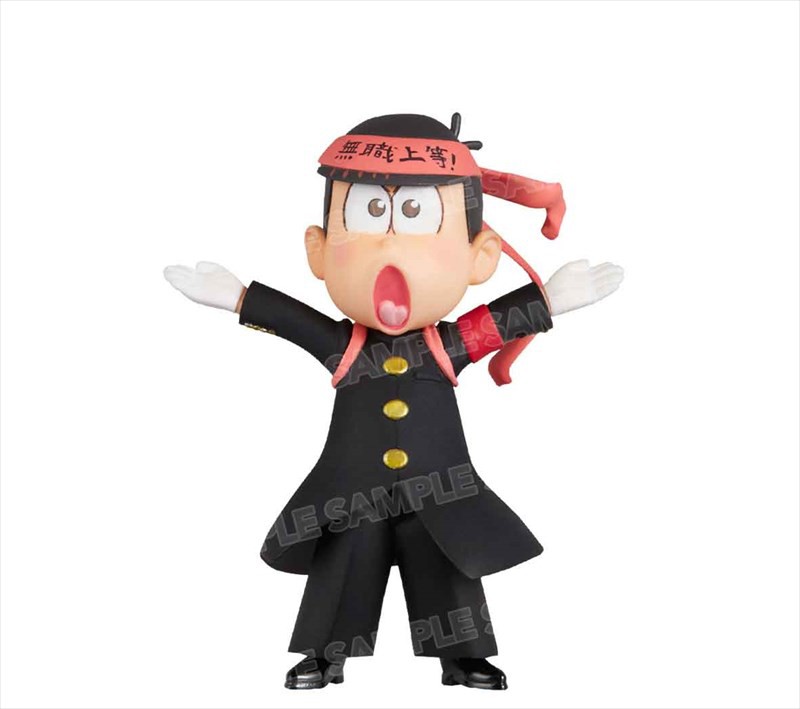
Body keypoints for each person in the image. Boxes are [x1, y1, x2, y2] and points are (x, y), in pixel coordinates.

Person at [164, 113, 623, 690]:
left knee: (448, 565)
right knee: (343, 564)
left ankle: (462, 655)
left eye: (414, 215)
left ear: (480, 256)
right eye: (369, 214)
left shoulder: (444, 346)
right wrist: (237, 297)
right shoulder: (347, 347)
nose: (390, 243)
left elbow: (494, 323)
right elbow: (295, 322)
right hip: (351, 488)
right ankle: (325, 653)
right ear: (319, 251)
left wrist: (548, 299)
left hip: (441, 487)